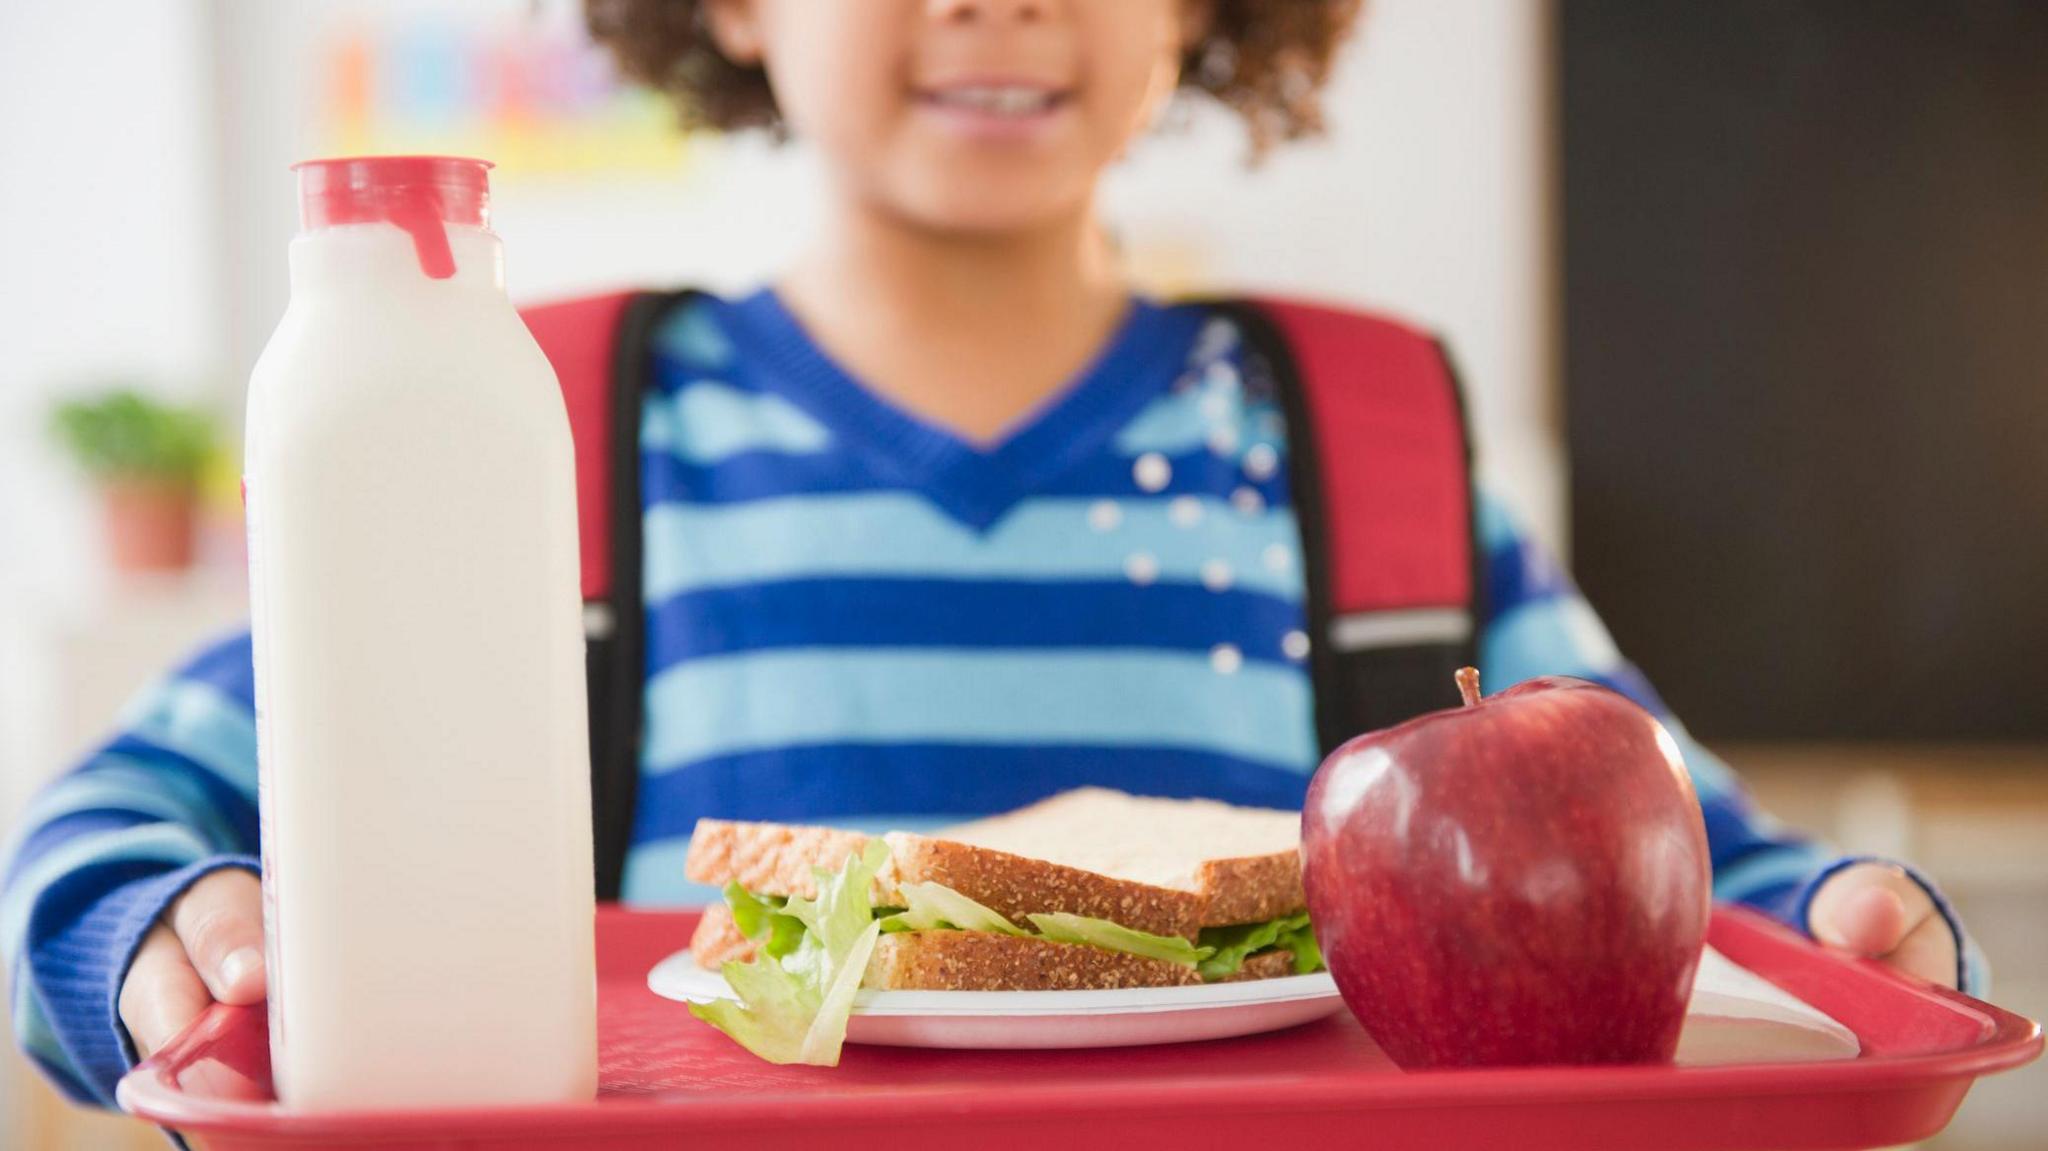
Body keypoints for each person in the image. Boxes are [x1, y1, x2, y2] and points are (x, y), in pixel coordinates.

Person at [3, 0, 1982, 1108]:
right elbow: (120, 816)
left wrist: (1852, 933)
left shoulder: (1364, 455)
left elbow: (1699, 880)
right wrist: (161, 930)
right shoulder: (541, 428)